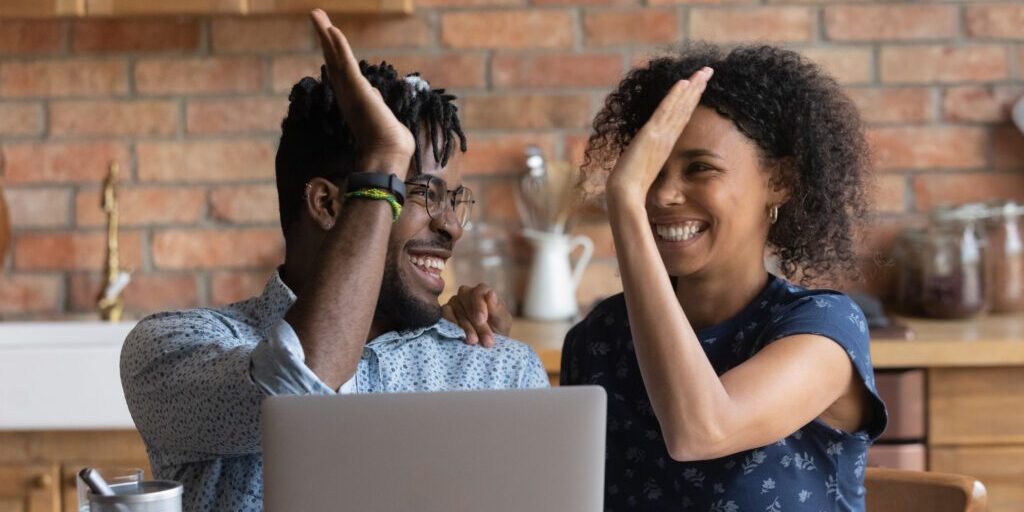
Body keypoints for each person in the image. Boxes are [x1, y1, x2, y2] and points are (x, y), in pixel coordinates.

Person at [120, 11, 547, 511]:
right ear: (327, 205)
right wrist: (385, 158)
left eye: (452, 198)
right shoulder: (174, 350)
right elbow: (299, 391)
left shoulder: (499, 371)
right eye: (420, 193)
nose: (451, 225)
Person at [451, 44, 888, 511]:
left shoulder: (825, 332)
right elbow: (552, 493)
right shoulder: (601, 338)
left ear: (779, 180)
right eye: (651, 170)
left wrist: (624, 198)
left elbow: (701, 430)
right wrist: (497, 358)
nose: (662, 194)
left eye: (700, 168)